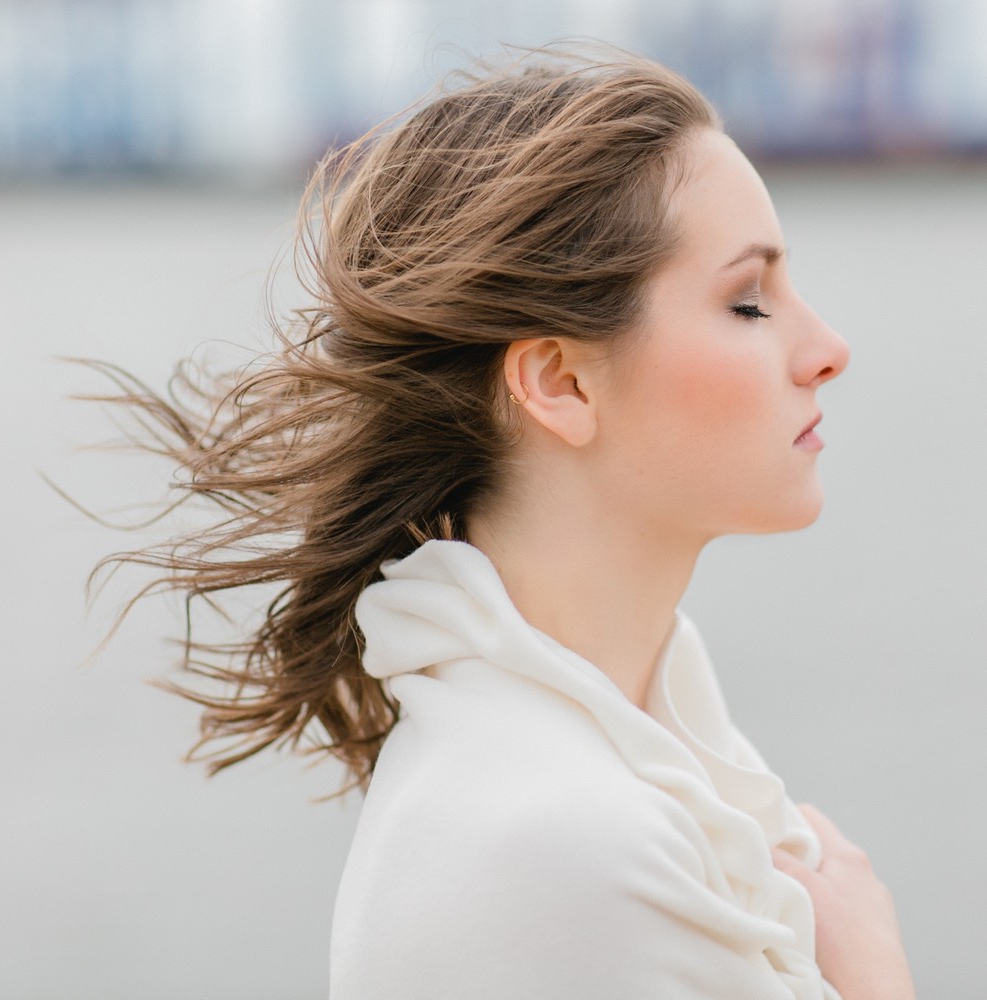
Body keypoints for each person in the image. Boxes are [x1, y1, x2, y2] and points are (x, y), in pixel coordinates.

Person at [85, 45, 914, 1000]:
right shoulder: (571, 845)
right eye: (749, 302)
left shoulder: (650, 740)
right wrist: (878, 978)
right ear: (560, 382)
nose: (829, 348)